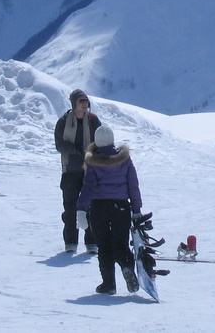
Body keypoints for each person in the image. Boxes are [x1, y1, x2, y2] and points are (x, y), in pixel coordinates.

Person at [76, 125, 143, 296]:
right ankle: (127, 267)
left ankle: (108, 284)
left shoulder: (93, 161)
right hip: (121, 207)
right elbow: (133, 185)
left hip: (99, 208)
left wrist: (81, 209)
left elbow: (88, 187)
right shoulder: (125, 159)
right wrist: (136, 209)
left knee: (104, 246)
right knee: (120, 243)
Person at [54, 89, 101, 253]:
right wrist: (77, 151)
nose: (85, 104)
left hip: (90, 170)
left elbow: (101, 141)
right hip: (70, 170)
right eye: (81, 101)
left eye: (86, 101)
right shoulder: (63, 122)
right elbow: (60, 145)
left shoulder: (94, 121)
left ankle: (92, 242)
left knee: (92, 206)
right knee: (70, 207)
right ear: (74, 103)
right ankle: (70, 242)